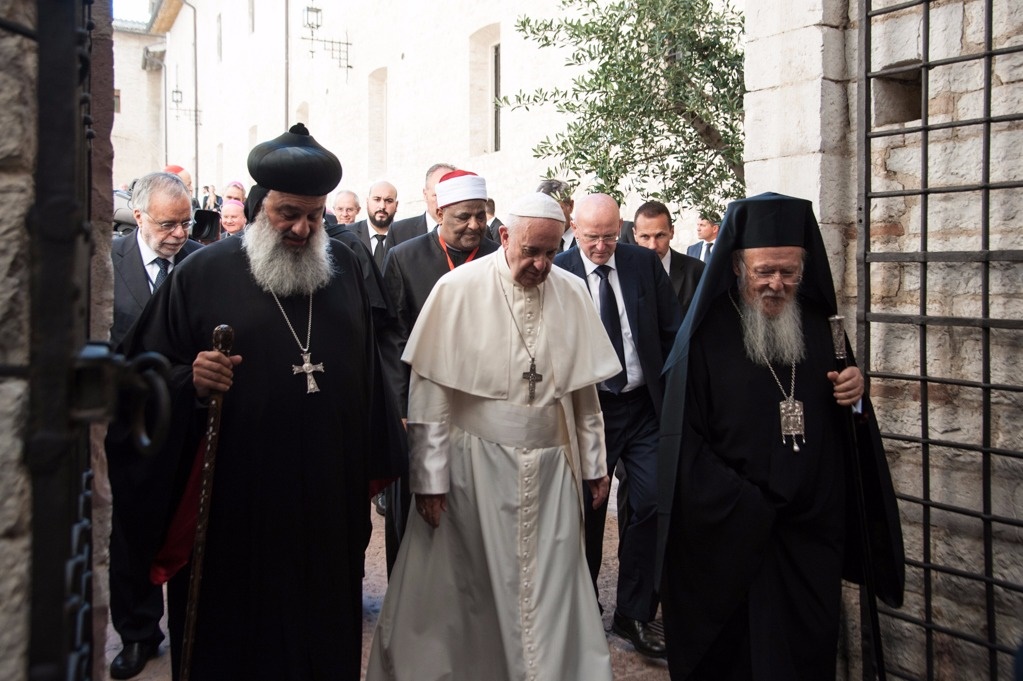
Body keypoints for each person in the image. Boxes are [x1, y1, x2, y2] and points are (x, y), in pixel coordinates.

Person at [107, 124, 397, 680]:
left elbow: (367, 376)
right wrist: (187, 378)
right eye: (289, 213)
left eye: (314, 215)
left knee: (320, 639)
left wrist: (371, 468)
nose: (302, 227)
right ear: (263, 206)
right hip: (234, 509)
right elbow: (135, 378)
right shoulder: (201, 274)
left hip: (324, 507)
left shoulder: (344, 272)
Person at [366, 192, 622, 681]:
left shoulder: (570, 291)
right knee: (473, 592)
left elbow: (583, 394)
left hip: (551, 473)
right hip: (474, 472)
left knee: (550, 589)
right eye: (531, 251)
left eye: (551, 252)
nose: (542, 264)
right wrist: (430, 478)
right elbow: (431, 394)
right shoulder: (458, 289)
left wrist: (594, 466)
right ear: (503, 236)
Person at [657, 192, 904, 680]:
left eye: (789, 273)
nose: (776, 284)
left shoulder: (825, 328)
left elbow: (849, 417)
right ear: (735, 265)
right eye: (764, 271)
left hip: (809, 528)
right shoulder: (705, 336)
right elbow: (683, 444)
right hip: (733, 533)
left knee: (804, 654)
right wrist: (746, 508)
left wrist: (857, 394)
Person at [554, 193, 681, 659]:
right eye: (591, 237)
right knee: (584, 509)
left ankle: (635, 614)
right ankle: (583, 607)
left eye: (610, 236)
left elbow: (672, 331)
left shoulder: (643, 264)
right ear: (575, 227)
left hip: (643, 406)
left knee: (649, 502)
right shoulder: (559, 269)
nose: (601, 246)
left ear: (621, 228)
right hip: (589, 409)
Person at [378, 169, 500, 573]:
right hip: (421, 398)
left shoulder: (495, 256)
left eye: (480, 216)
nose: (474, 225)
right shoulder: (405, 257)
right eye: (463, 216)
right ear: (441, 210)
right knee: (415, 502)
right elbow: (393, 337)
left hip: (481, 398)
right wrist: (400, 404)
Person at [107, 171, 202, 679]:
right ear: (140, 217)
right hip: (132, 427)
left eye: (185, 223)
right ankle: (138, 633)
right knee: (132, 537)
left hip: (190, 424)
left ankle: (192, 628)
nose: (179, 234)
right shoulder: (109, 262)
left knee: (187, 530)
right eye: (168, 224)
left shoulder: (201, 262)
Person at [633, 200, 705, 315]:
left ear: (672, 232)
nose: (652, 246)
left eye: (660, 235)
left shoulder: (697, 271)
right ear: (634, 235)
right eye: (645, 237)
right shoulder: (624, 273)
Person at [386, 162, 455, 247]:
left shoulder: (469, 232)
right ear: (425, 195)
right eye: (436, 195)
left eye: (449, 195)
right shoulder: (399, 232)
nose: (443, 202)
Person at [339, 181, 399, 270]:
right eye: (377, 199)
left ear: (396, 205)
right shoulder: (347, 235)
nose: (382, 206)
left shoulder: (405, 236)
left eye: (388, 201)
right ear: (367, 202)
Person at [536, 178, 575, 252]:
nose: (550, 217)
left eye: (556, 210)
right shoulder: (539, 244)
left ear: (570, 206)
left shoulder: (587, 238)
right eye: (544, 211)